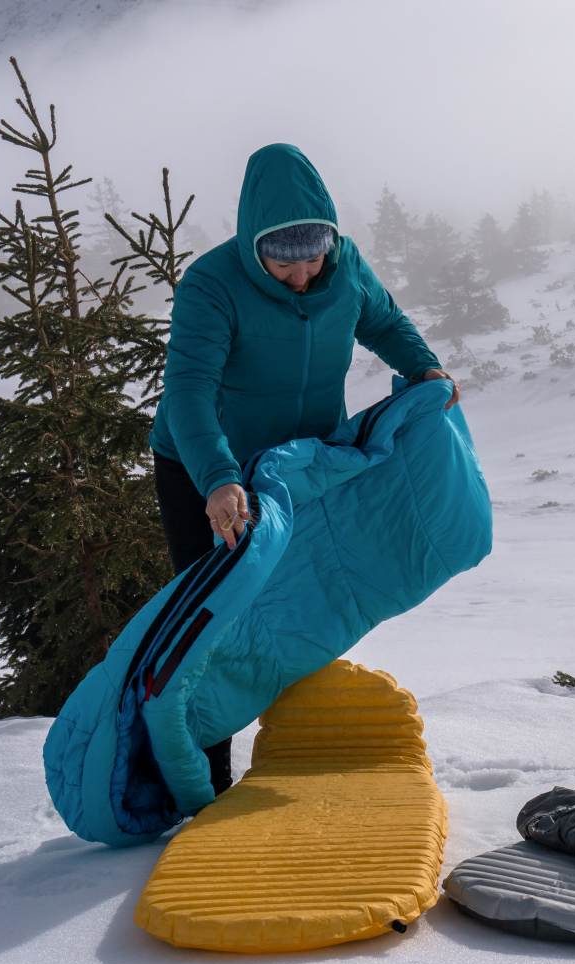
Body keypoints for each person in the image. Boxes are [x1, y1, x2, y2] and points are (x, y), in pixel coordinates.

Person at [148, 142, 460, 795]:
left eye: (312, 259)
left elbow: (386, 323)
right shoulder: (213, 286)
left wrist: (425, 367)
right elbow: (188, 394)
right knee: (220, 620)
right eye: (282, 263)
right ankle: (208, 785)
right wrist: (217, 478)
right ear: (253, 245)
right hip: (205, 471)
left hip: (295, 469)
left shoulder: (345, 273)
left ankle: (300, 759)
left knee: (305, 605)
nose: (301, 277)